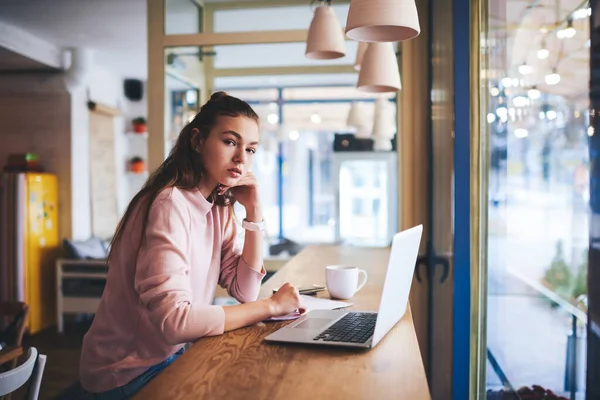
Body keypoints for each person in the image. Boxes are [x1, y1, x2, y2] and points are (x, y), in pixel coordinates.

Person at [75, 92, 304, 399]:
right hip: (125, 370)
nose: (241, 158)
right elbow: (175, 322)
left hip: (168, 356)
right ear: (197, 141)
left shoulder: (218, 207)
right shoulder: (170, 204)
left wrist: (253, 214)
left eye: (250, 149)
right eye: (229, 142)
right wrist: (271, 307)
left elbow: (244, 290)